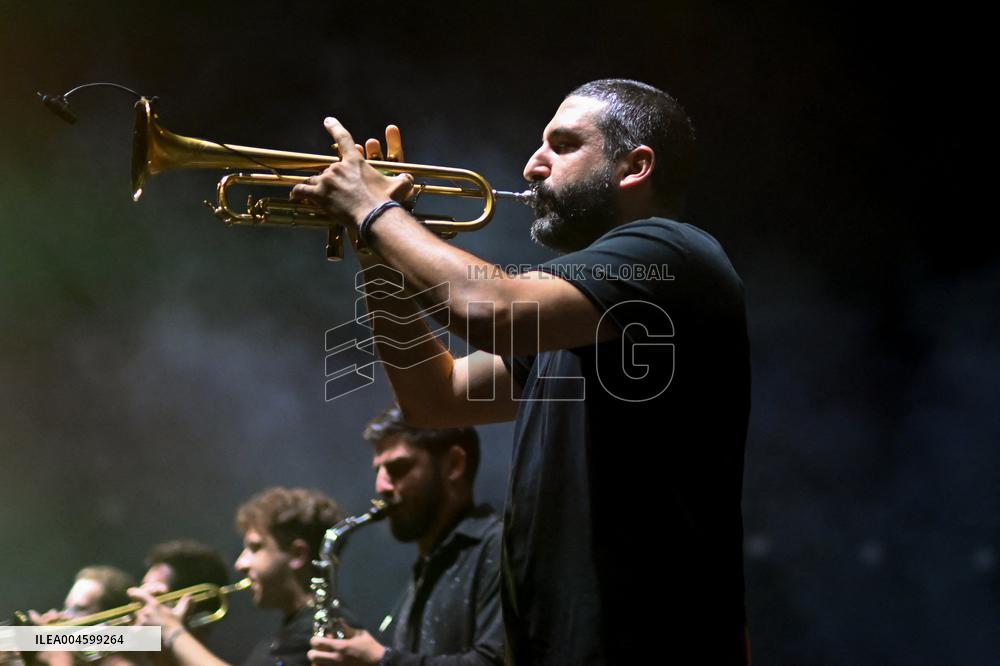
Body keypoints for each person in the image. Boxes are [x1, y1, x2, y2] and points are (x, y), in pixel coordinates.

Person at [291, 78, 751, 664]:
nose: (534, 166)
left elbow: (490, 309)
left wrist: (374, 209)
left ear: (634, 166)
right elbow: (436, 398)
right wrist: (375, 249)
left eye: (562, 145)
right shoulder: (575, 318)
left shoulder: (673, 254)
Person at [308, 405, 504, 665]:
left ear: (454, 465)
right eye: (378, 471)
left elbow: (495, 661)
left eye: (398, 468)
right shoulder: (429, 562)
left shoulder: (498, 546)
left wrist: (382, 660)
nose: (381, 486)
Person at [131, 487, 344, 666]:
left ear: (297, 554)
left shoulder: (329, 631)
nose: (240, 564)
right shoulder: (285, 636)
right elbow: (99, 641)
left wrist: (171, 630)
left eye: (255, 547)